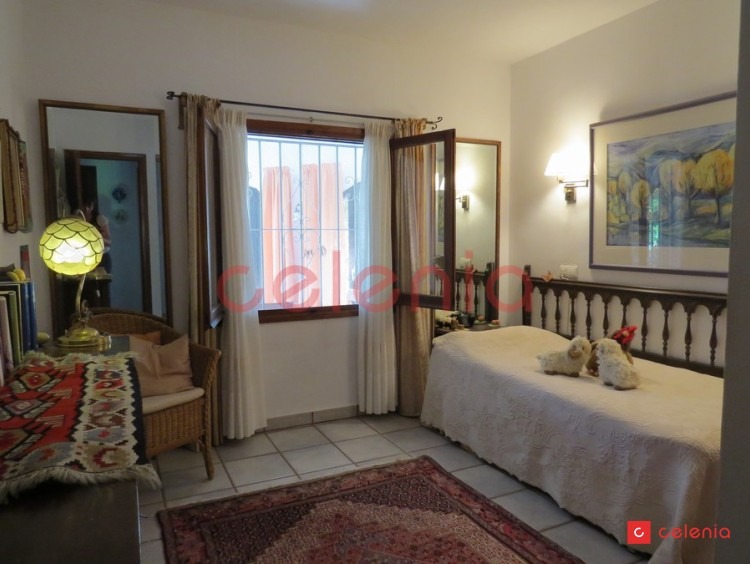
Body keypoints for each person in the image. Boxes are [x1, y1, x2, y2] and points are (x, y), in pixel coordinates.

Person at [76, 197, 112, 273]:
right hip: (84, 257)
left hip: (101, 257)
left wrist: (96, 237)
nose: (86, 209)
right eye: (84, 206)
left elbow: (109, 242)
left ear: (92, 206)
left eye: (88, 206)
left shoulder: (99, 219)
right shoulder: (77, 219)